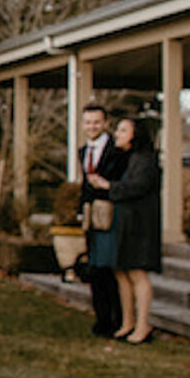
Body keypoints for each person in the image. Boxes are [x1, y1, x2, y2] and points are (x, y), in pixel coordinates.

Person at [102, 114, 162, 344]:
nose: (117, 134)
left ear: (135, 135)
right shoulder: (128, 158)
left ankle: (143, 325)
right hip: (125, 223)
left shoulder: (145, 160)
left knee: (137, 273)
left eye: (123, 130)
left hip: (140, 226)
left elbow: (137, 187)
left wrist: (109, 186)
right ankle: (128, 322)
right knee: (122, 272)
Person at [76, 101, 126, 338]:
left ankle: (117, 320)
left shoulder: (116, 151)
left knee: (108, 269)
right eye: (88, 122)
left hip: (110, 215)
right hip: (91, 218)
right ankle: (101, 319)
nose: (92, 126)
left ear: (105, 123)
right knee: (94, 268)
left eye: (96, 122)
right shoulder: (83, 151)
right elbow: (84, 186)